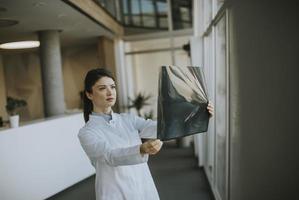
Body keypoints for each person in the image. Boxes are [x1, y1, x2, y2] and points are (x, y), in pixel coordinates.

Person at [78, 68, 214, 200]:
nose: (110, 92)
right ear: (89, 94)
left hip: (142, 184)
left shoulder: (127, 119)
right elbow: (110, 156)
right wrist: (140, 149)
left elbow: (159, 127)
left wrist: (198, 115)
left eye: (112, 87)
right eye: (102, 88)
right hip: (114, 190)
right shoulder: (87, 132)